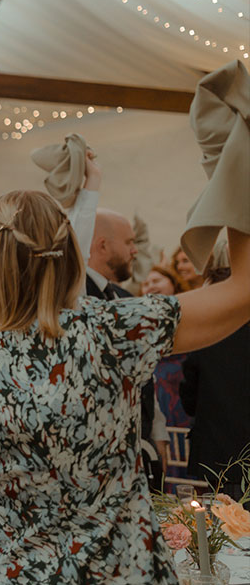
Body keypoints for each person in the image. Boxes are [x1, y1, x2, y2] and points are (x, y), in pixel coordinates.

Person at [0, 189, 250, 585]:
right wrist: (235, 168)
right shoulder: (117, 329)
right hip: (125, 572)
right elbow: (242, 291)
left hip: (23, 575)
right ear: (71, 254)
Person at [85, 208, 163, 487]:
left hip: (140, 449)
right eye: (130, 242)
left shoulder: (124, 297)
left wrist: (156, 433)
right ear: (103, 245)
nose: (135, 251)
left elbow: (143, 370)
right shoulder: (73, 296)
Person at [180, 263, 250, 500]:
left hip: (218, 455)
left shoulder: (207, 335)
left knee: (227, 528)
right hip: (227, 451)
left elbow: (189, 396)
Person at [142, 265, 192, 479]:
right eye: (145, 283)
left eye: (157, 280)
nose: (150, 286)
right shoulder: (141, 328)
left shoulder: (191, 320)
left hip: (183, 412)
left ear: (174, 283)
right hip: (157, 414)